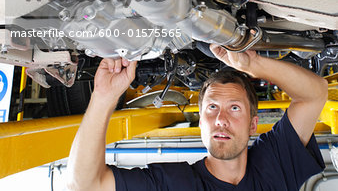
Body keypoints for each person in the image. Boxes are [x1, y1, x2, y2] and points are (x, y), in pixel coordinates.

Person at [66, 45, 328, 190]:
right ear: (201, 122)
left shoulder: (176, 186)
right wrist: (252, 64)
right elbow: (314, 95)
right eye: (212, 108)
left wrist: (103, 97)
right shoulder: (276, 172)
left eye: (234, 108)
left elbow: (83, 186)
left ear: (253, 124)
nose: (221, 119)